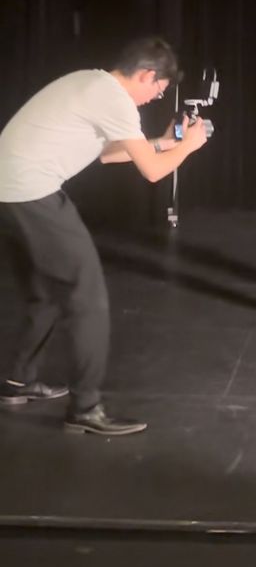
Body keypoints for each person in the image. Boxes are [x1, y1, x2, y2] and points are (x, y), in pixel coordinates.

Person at [0, 36, 209, 436]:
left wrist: (166, 142)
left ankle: (18, 380)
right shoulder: (115, 99)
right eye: (158, 90)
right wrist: (191, 147)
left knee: (44, 293)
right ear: (147, 74)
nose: (154, 98)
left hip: (8, 193)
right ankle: (85, 408)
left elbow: (108, 154)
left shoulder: (91, 82)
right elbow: (153, 172)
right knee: (88, 298)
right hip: (32, 193)